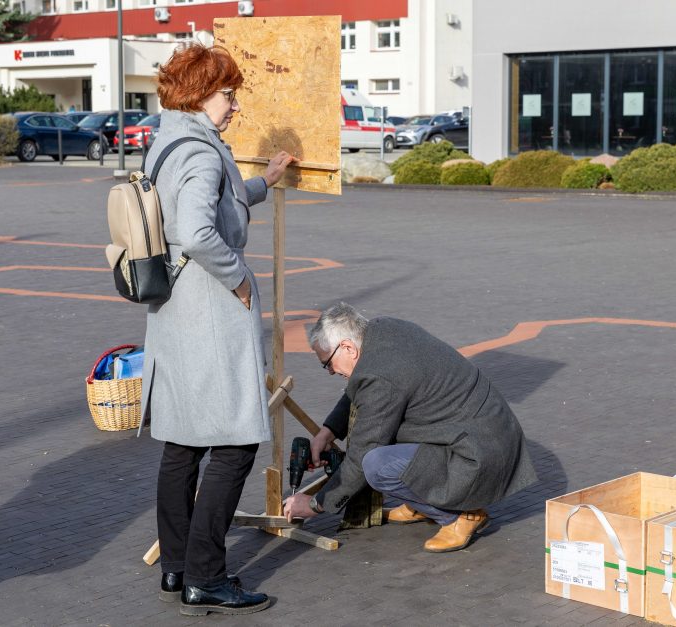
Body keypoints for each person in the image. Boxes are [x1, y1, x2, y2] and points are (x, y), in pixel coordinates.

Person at [140, 44, 295, 616]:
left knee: (183, 443)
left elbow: (212, 201)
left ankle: (178, 568)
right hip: (207, 310)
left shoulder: (168, 140)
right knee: (234, 443)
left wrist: (262, 181)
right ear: (200, 93)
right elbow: (200, 230)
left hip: (173, 312)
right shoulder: (202, 152)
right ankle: (207, 575)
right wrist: (239, 280)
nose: (234, 106)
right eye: (228, 94)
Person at [283, 303, 538, 553]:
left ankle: (458, 517)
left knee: (376, 464)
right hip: (486, 434)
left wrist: (316, 504)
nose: (329, 371)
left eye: (327, 363)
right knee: (384, 428)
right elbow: (363, 387)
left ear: (348, 347)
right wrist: (327, 432)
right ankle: (421, 502)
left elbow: (360, 457)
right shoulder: (381, 330)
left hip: (476, 456)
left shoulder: (380, 376)